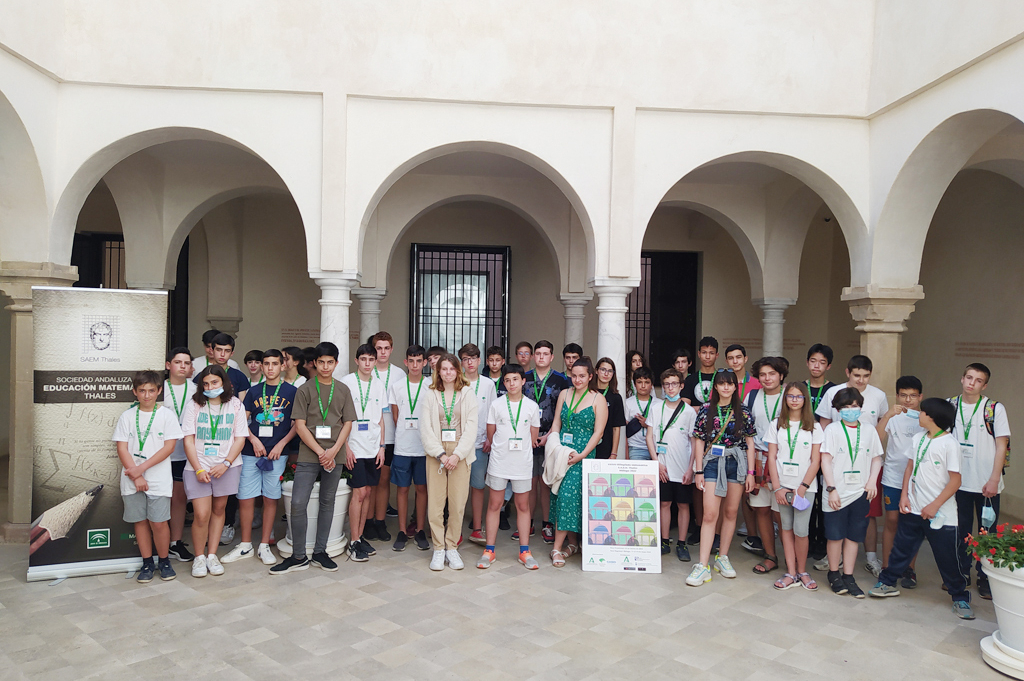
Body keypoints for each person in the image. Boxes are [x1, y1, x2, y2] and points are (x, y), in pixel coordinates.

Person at [869, 398, 975, 620]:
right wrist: (905, 495)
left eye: (922, 412)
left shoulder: (949, 444)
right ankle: (888, 582)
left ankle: (960, 597)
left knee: (947, 558)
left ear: (932, 418)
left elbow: (955, 481)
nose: (919, 415)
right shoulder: (918, 438)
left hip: (941, 515)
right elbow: (910, 467)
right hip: (913, 509)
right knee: (901, 548)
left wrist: (935, 505)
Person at [272, 342, 356, 574]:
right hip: (310, 454)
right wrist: (320, 452)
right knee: (298, 503)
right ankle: (299, 556)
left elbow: (347, 423)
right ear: (314, 363)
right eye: (321, 362)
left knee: (328, 502)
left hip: (335, 454)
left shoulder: (342, 390)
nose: (326, 366)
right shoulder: (306, 389)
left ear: (336, 363)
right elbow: (299, 425)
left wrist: (334, 450)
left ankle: (320, 551)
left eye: (330, 362)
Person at [222, 349, 297, 566]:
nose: (271, 367)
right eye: (267, 363)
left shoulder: (292, 392)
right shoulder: (253, 392)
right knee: (246, 497)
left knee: (270, 498)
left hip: (276, 453)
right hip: (250, 452)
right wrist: (253, 440)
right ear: (261, 367)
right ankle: (245, 544)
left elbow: (295, 424)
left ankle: (264, 544)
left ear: (283, 366)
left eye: (275, 363)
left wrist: (282, 444)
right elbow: (242, 421)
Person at [814, 355, 888, 574]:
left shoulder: (879, 396)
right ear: (848, 372)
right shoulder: (832, 394)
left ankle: (868, 559)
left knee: (864, 519)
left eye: (866, 376)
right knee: (835, 524)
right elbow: (824, 425)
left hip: (863, 469)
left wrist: (872, 479)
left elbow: (880, 431)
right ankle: (833, 563)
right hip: (837, 469)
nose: (861, 380)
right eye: (857, 375)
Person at [686, 371, 756, 586]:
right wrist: (698, 471)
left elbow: (750, 443)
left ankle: (722, 557)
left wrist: (751, 473)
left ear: (736, 387)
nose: (726, 387)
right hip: (711, 464)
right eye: (722, 384)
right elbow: (698, 441)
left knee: (731, 511)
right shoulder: (706, 410)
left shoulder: (743, 411)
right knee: (709, 514)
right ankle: (702, 565)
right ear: (715, 387)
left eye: (730, 384)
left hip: (736, 462)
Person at [113, 370, 183, 583]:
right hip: (132, 478)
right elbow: (122, 448)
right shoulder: (127, 416)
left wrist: (140, 469)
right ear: (134, 392)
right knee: (140, 522)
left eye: (151, 390)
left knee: (159, 522)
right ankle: (147, 562)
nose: (146, 395)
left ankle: (164, 561)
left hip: (158, 478)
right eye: (142, 391)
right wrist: (136, 476)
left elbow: (169, 447)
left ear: (159, 391)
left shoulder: (167, 416)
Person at [181, 365, 249, 578]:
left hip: (227, 467)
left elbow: (240, 438)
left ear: (225, 383)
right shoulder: (194, 404)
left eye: (215, 382)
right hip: (198, 467)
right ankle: (199, 557)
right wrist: (199, 468)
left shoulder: (235, 405)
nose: (210, 387)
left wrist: (226, 463)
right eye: (206, 384)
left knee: (219, 510)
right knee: (201, 514)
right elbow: (188, 439)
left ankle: (212, 555)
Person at [951, 362, 1011, 601]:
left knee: (988, 532)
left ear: (984, 385)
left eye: (977, 380)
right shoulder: (951, 405)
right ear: (962, 379)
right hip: (958, 482)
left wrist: (994, 479)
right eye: (968, 377)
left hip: (987, 483)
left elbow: (1001, 445)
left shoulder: (994, 409)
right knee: (961, 530)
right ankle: (961, 573)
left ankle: (985, 577)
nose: (971, 383)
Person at [820, 387, 884, 598]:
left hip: (861, 492)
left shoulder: (869, 430)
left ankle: (849, 575)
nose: (850, 410)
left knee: (853, 536)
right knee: (835, 536)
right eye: (845, 407)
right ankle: (834, 573)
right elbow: (826, 460)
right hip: (836, 492)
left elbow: (876, 458)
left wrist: (872, 482)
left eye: (854, 406)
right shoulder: (832, 430)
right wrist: (831, 489)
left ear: (861, 407)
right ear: (838, 410)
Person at [478, 363, 541, 570]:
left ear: (523, 381)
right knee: (494, 505)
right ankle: (489, 550)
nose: (511, 383)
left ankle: (524, 551)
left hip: (522, 464)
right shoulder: (496, 405)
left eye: (515, 379)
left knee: (523, 506)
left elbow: (533, 437)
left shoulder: (531, 406)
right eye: (507, 380)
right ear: (503, 383)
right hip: (499, 462)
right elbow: (491, 433)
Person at [420, 353, 478, 571]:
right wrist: (441, 455)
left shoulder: (467, 393)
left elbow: (472, 428)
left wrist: (456, 455)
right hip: (436, 455)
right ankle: (438, 548)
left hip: (460, 456)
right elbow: (425, 428)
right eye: (443, 369)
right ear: (438, 371)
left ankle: (451, 547)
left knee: (457, 504)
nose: (447, 373)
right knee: (435, 505)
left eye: (451, 369)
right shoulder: (431, 393)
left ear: (458, 370)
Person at [193, 332, 251, 546]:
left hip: (229, 446)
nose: (222, 354)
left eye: (227, 351)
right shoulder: (200, 376)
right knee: (202, 509)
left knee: (223, 501)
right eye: (219, 349)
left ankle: (226, 526)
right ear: (211, 349)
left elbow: (243, 410)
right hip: (201, 452)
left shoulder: (238, 377)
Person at [549, 357, 608, 567]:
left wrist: (582, 455)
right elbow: (557, 422)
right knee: (563, 496)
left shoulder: (597, 399)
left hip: (583, 456)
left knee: (573, 498)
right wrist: (554, 446)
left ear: (590, 376)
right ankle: (570, 544)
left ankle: (559, 546)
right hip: (563, 454)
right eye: (574, 375)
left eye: (582, 376)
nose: (577, 379)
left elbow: (598, 432)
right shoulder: (564, 394)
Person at [764, 382, 822, 591]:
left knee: (801, 531)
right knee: (786, 529)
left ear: (805, 400)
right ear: (785, 399)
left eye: (799, 396)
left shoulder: (814, 426)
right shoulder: (776, 424)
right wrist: (778, 487)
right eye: (790, 396)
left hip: (805, 488)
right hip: (782, 486)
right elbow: (771, 457)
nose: (794, 400)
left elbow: (816, 460)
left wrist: (803, 487)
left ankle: (802, 570)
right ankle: (791, 572)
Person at [876, 376, 925, 586]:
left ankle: (909, 568)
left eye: (913, 396)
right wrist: (887, 415)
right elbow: (876, 440)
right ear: (897, 395)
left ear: (920, 397)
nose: (908, 400)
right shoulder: (892, 418)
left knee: (910, 525)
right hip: (893, 478)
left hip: (917, 481)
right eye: (903, 395)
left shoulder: (925, 419)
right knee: (892, 521)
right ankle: (887, 566)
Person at [341, 343, 388, 561]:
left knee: (368, 492)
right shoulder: (347, 383)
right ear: (356, 361)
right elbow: (341, 418)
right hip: (354, 447)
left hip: (372, 447)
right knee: (358, 493)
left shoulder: (379, 385)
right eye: (364, 359)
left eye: (371, 359)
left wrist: (381, 447)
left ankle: (359, 537)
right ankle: (353, 541)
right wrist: (346, 447)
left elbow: (380, 419)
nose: (368, 364)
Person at [646, 368, 696, 561]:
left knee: (683, 504)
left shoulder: (689, 411)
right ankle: (665, 540)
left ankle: (681, 543)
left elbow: (693, 442)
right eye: (667, 384)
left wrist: (690, 468)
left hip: (683, 466)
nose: (671, 387)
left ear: (681, 385)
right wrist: (656, 462)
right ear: (663, 387)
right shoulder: (656, 408)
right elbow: (649, 437)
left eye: (674, 383)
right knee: (664, 503)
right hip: (662, 465)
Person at [745, 357, 789, 575]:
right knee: (761, 509)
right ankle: (770, 556)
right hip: (759, 459)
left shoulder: (791, 395)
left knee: (781, 512)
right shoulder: (752, 395)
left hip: (783, 460)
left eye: (772, 373)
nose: (767, 378)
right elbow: (746, 427)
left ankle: (792, 561)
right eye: (762, 374)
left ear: (781, 375)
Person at [524, 341, 571, 544]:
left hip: (551, 437)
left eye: (546, 354)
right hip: (526, 438)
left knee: (546, 482)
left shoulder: (562, 381)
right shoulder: (524, 378)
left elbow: (562, 413)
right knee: (529, 482)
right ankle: (528, 523)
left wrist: (549, 435)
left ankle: (546, 523)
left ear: (552, 357)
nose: (541, 357)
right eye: (538, 353)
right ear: (534, 357)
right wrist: (530, 435)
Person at [389, 345, 431, 552]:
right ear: (406, 362)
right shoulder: (397, 386)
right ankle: (402, 530)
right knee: (403, 489)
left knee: (422, 489)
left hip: (424, 448)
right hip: (403, 447)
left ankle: (421, 529)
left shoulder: (431, 386)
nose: (415, 365)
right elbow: (396, 416)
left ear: (425, 363)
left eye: (419, 361)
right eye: (411, 361)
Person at [366, 331, 404, 543]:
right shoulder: (367, 371)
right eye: (378, 348)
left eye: (386, 348)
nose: (382, 352)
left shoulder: (399, 374)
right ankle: (368, 521)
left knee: (383, 479)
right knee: (370, 481)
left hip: (390, 434)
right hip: (368, 435)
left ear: (391, 349)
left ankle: (380, 522)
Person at [460, 343, 498, 546]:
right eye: (466, 359)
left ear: (479, 360)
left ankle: (476, 528)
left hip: (480, 444)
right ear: (462, 362)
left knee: (478, 486)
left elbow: (492, 414)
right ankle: (454, 529)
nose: (470, 363)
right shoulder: (456, 382)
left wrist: (490, 439)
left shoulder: (488, 384)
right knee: (456, 487)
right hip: (458, 446)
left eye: (473, 359)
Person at [164, 347, 197, 562]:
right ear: (168, 365)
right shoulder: (158, 389)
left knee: (178, 499)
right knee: (158, 497)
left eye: (186, 363)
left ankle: (175, 542)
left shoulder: (196, 389)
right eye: (178, 362)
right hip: (159, 452)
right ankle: (156, 540)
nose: (182, 366)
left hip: (183, 453)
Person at [805, 343, 835, 564]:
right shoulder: (798, 388)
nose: (817, 366)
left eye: (822, 362)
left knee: (822, 496)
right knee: (807, 495)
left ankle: (823, 540)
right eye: (813, 361)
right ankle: (807, 538)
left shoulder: (834, 390)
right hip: (802, 451)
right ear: (807, 363)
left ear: (829, 366)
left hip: (825, 451)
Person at [595, 358, 627, 460]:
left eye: (610, 371)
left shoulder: (616, 397)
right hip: (585, 443)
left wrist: (614, 453)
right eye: (603, 369)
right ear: (596, 371)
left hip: (605, 446)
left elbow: (616, 428)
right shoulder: (589, 393)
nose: (606, 374)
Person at [625, 367, 660, 460]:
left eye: (647, 382)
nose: (643, 386)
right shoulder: (627, 403)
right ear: (635, 384)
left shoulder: (659, 404)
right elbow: (624, 431)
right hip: (635, 448)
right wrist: (626, 456)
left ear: (652, 385)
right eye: (639, 382)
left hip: (657, 449)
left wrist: (648, 425)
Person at [683, 336, 719, 406]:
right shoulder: (690, 380)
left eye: (711, 353)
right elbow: (685, 408)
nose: (707, 357)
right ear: (699, 354)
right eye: (704, 352)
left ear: (716, 355)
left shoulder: (722, 379)